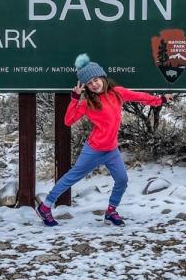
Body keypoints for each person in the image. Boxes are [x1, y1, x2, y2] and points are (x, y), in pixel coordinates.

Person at [37, 53, 168, 227]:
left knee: (122, 180)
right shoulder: (87, 103)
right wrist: (74, 99)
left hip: (111, 150)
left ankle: (111, 212)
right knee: (71, 178)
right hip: (93, 150)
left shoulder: (117, 93)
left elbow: (139, 96)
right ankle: (45, 207)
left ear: (102, 77)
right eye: (89, 83)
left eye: (96, 80)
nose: (94, 85)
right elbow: (68, 121)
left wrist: (160, 100)